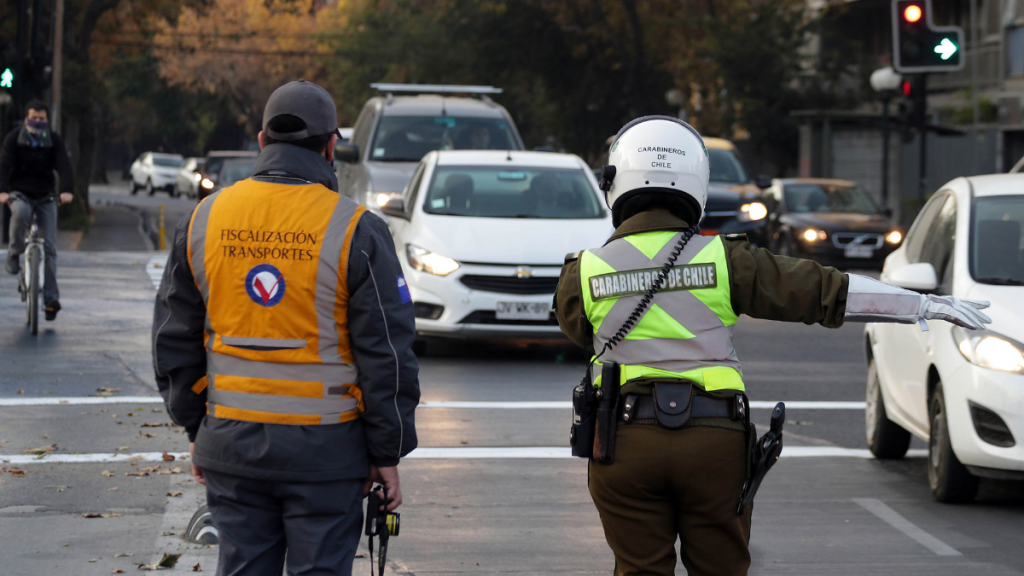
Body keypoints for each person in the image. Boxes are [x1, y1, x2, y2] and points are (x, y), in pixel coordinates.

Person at [554, 115, 990, 576]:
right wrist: (922, 305)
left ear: (614, 185)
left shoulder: (583, 271)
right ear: (697, 184)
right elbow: (825, 291)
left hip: (624, 442)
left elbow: (577, 332)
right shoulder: (726, 260)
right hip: (714, 443)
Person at [152, 80, 420, 576]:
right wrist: (387, 450)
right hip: (328, 457)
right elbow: (387, 353)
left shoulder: (203, 221)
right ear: (331, 145)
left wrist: (197, 427)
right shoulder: (357, 229)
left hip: (231, 448)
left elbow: (174, 337)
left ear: (261, 142)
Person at [0, 99, 75, 321]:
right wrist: (2, 191)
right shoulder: (14, 138)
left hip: (46, 195)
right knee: (20, 214)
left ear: (46, 120)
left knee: (50, 247)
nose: (38, 122)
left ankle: (51, 299)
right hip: (19, 192)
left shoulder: (54, 141)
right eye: (34, 117)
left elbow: (64, 166)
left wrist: (67, 191)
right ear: (26, 118)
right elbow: (4, 164)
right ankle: (14, 253)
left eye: (42, 119)